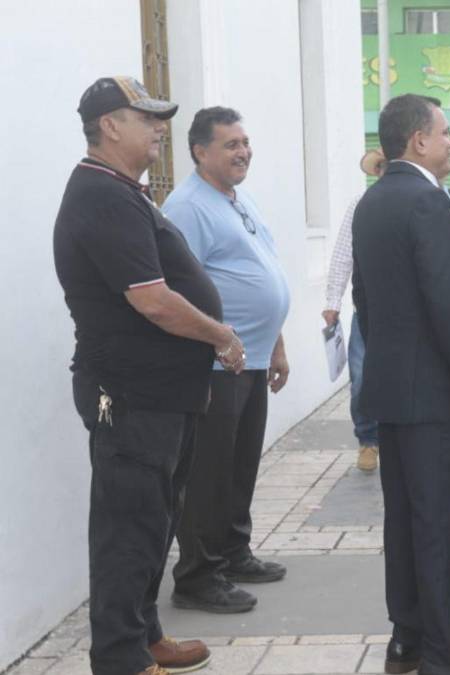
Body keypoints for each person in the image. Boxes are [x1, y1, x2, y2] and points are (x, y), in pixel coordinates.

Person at [54, 76, 244, 675]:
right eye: (147, 119)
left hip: (161, 395)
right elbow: (153, 299)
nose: (159, 128)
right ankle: (119, 659)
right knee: (127, 529)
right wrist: (220, 334)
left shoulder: (121, 191)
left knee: (155, 521)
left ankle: (143, 636)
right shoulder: (102, 196)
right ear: (110, 125)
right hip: (131, 397)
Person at [351, 93, 450, 675]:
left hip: (392, 387)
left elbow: (365, 301)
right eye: (442, 133)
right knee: (437, 523)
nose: (449, 143)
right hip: (433, 393)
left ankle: (406, 639)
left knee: (405, 520)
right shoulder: (429, 203)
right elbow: (447, 304)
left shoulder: (373, 202)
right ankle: (444, 649)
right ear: (417, 140)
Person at [164, 106, 291, 614]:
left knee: (240, 465)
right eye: (230, 145)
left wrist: (276, 341)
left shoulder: (237, 198)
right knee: (208, 473)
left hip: (253, 359)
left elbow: (263, 271)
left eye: (245, 142)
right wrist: (219, 340)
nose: (243, 152)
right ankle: (198, 575)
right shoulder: (187, 207)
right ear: (200, 152)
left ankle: (234, 552)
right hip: (215, 363)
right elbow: (177, 286)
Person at [324, 149, 386, 472]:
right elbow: (342, 256)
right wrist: (333, 303)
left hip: (406, 315)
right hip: (366, 310)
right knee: (361, 377)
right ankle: (367, 440)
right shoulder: (360, 205)